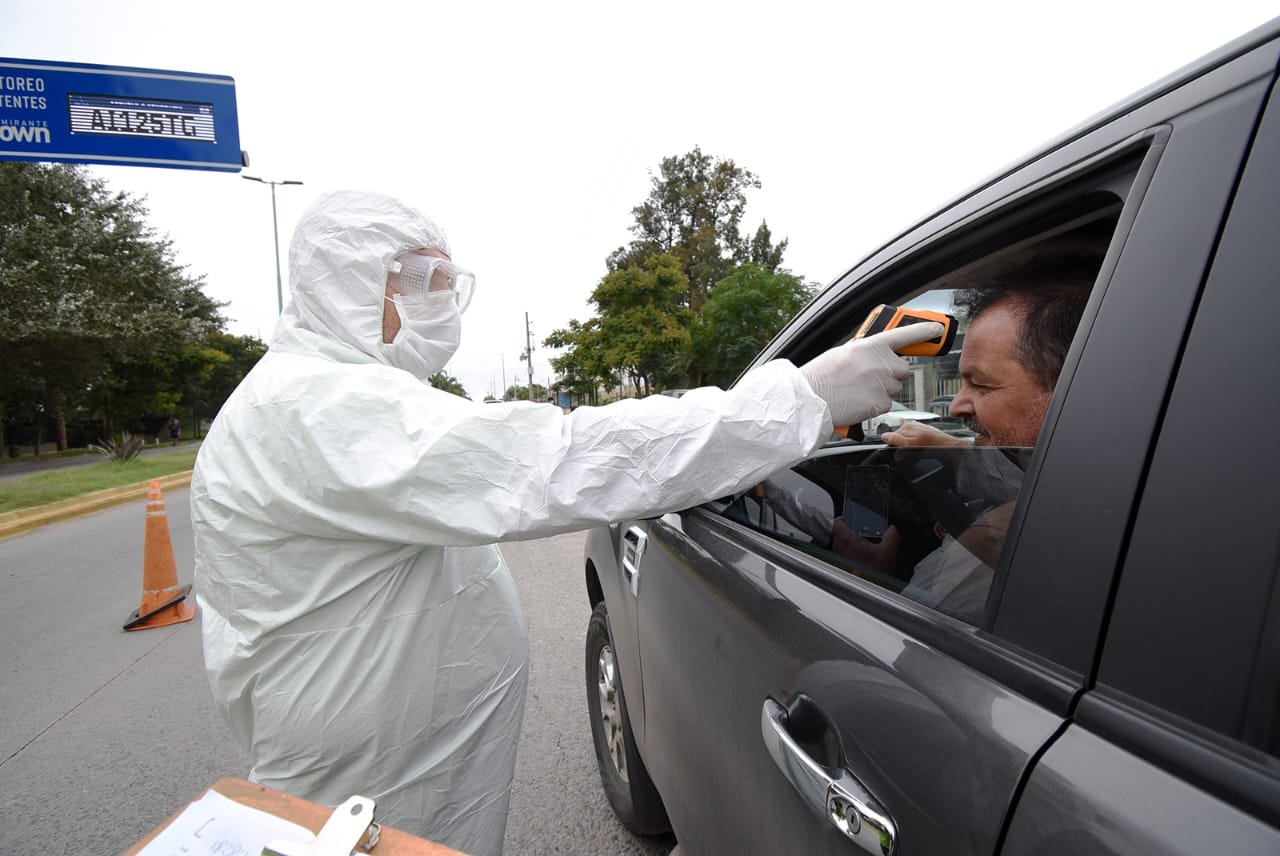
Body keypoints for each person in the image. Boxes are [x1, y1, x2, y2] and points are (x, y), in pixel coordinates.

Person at [189, 190, 942, 856]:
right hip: (366, 789)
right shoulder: (319, 409)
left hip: (383, 768)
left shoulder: (328, 400)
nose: (439, 306)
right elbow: (554, 461)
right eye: (419, 282)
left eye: (448, 285)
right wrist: (798, 401)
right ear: (343, 283)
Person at [831, 254, 1096, 620]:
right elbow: (1015, 470)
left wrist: (872, 572)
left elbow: (912, 646)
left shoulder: (1001, 542)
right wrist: (953, 448)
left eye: (981, 383)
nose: (955, 406)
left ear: (1073, 389)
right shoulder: (1087, 487)